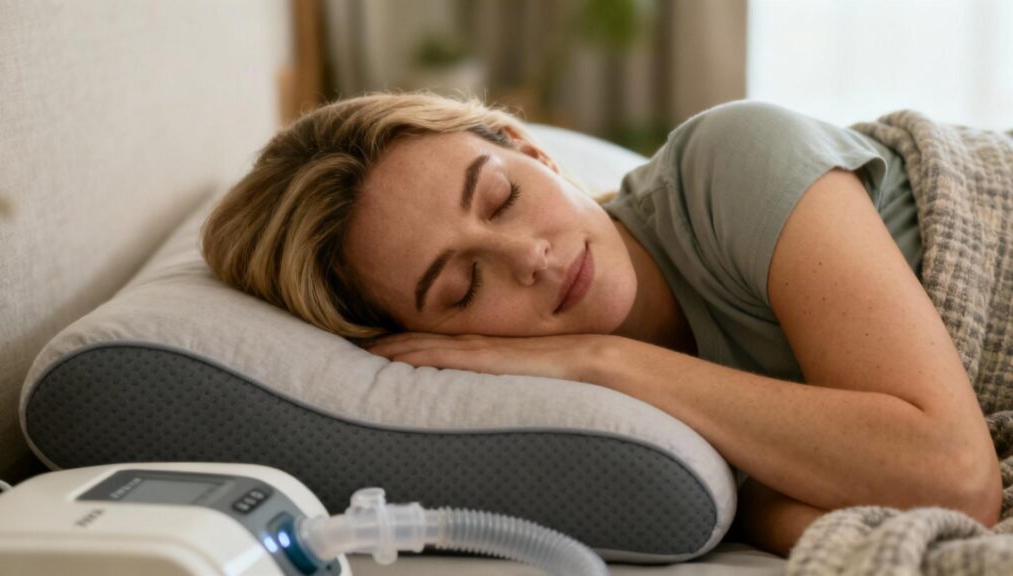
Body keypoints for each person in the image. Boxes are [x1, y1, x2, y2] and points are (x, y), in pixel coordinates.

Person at [200, 91, 1002, 558]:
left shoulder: (731, 161)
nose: (532, 259)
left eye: (502, 196)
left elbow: (955, 480)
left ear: (532, 150)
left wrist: (608, 361)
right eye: (463, 285)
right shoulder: (612, 438)